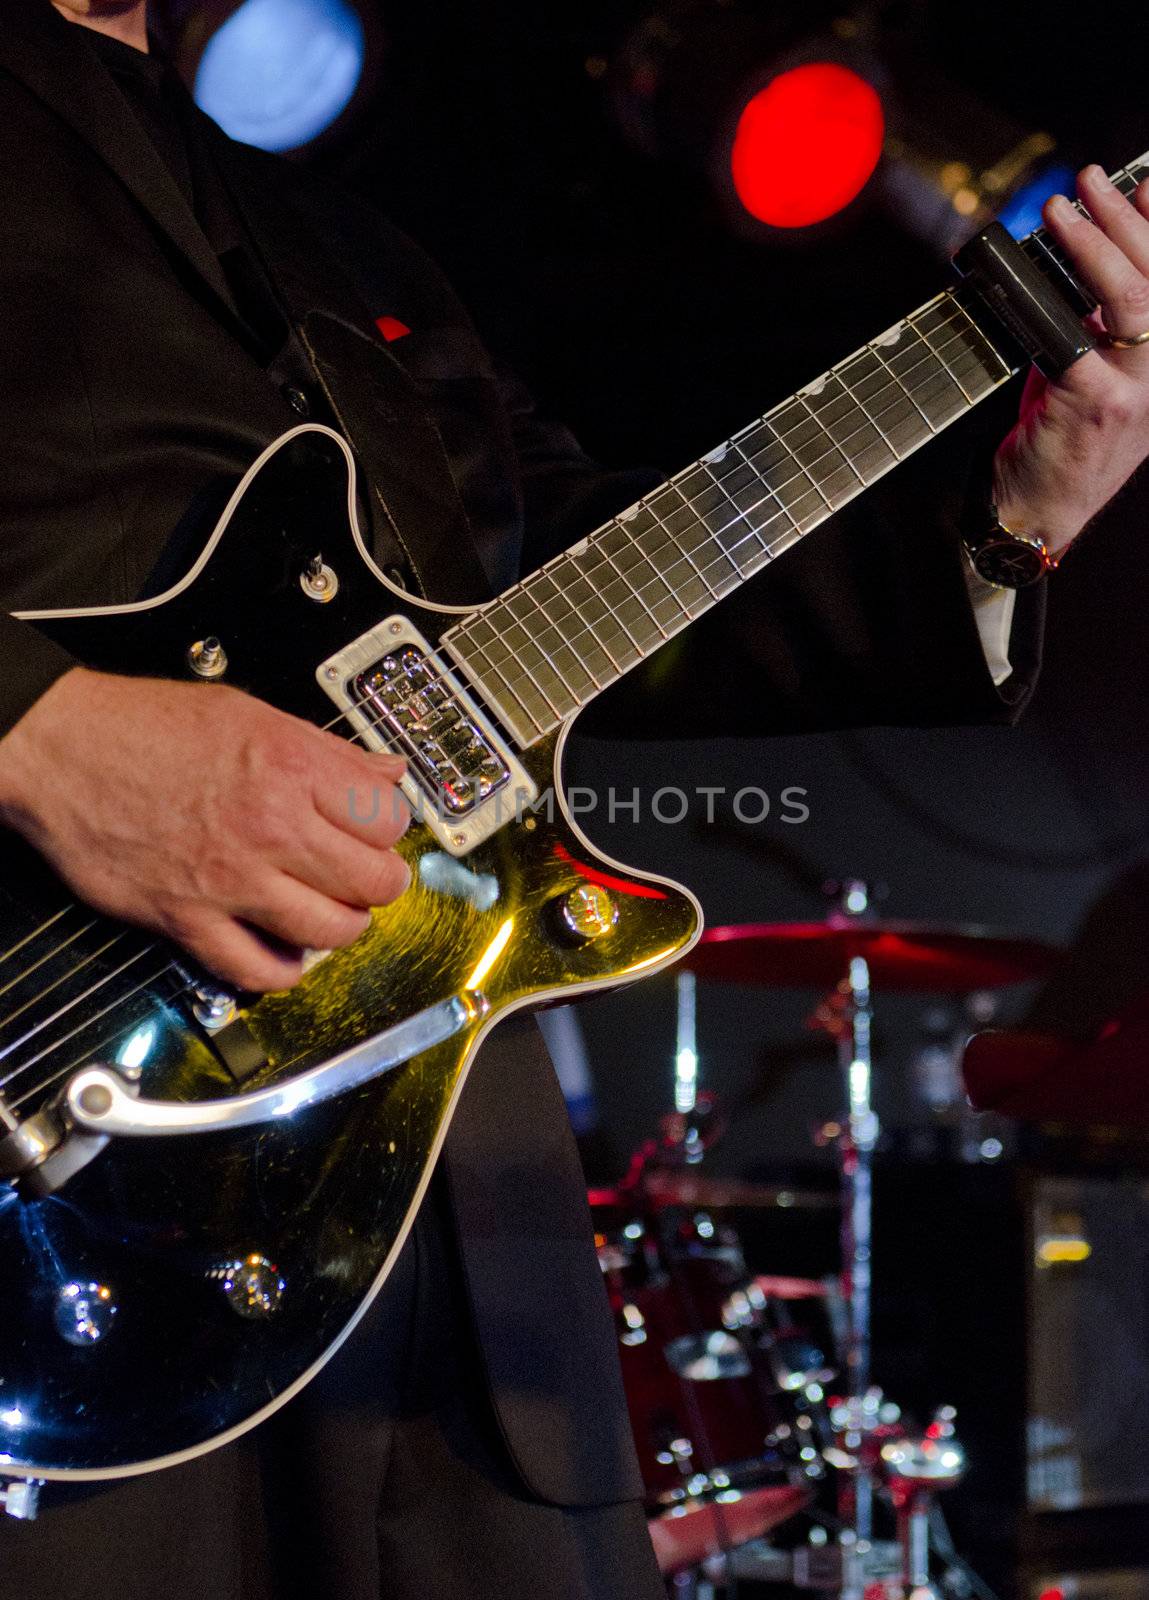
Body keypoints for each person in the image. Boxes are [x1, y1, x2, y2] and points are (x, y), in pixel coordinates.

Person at [2, 3, 1149, 1596]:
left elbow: (580, 591)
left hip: (452, 1195)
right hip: (65, 1174)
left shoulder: (347, 254)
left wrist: (1010, 508)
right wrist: (39, 742)